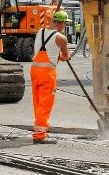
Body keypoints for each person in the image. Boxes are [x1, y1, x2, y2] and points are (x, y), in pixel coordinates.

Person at [31, 11, 70, 144]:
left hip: (35, 70)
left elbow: (44, 49)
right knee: (45, 102)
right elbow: (65, 56)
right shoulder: (61, 38)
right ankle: (40, 134)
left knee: (37, 101)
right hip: (47, 73)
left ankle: (39, 129)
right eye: (65, 23)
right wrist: (61, 56)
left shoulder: (40, 31)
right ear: (62, 23)